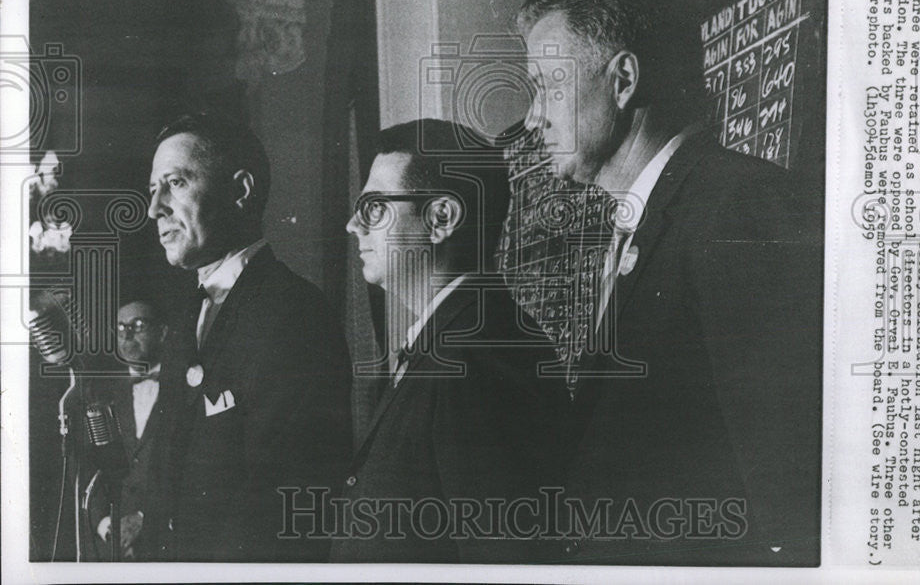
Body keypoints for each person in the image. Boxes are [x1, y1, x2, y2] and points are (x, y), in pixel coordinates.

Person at [517, 0, 823, 565]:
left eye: (547, 86)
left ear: (623, 80)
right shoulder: (639, 221)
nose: (533, 117)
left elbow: (787, 487)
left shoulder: (738, 206)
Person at [330, 119, 570, 563]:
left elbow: (506, 562)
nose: (352, 225)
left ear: (441, 218)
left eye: (373, 208)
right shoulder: (451, 344)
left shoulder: (478, 355)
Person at [141, 112, 352, 561]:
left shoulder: (294, 314)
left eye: (175, 183)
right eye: (152, 188)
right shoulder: (185, 320)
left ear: (240, 191)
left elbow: (284, 508)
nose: (154, 208)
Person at [85, 299, 168, 560]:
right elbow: (86, 462)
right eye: (121, 328)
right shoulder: (102, 392)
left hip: (164, 540)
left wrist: (146, 518)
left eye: (138, 325)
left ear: (163, 332)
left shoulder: (184, 389)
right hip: (109, 544)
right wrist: (105, 525)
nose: (127, 334)